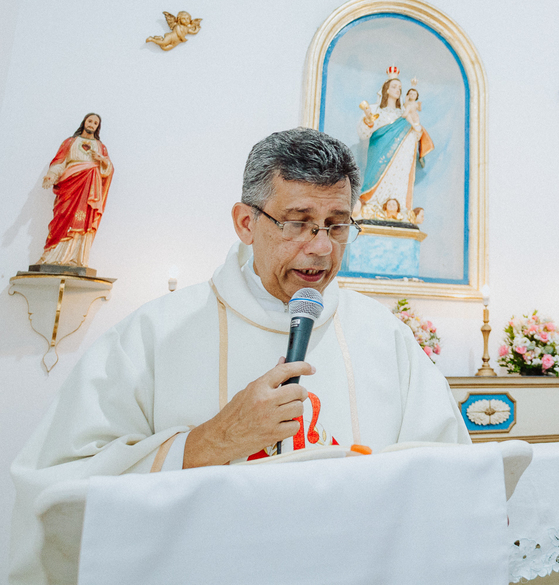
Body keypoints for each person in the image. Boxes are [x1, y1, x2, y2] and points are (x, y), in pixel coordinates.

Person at [11, 128, 469, 585]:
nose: (322, 246)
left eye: (337, 224)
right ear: (246, 223)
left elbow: (450, 476)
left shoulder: (385, 337)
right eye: (297, 221)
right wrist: (211, 442)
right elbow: (53, 489)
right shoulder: (153, 334)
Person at [36, 113, 113, 269]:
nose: (92, 124)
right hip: (70, 185)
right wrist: (51, 175)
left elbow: (108, 170)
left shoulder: (101, 147)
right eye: (90, 121)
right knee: (63, 215)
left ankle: (76, 258)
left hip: (89, 187)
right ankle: (51, 256)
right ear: (84, 122)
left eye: (95, 123)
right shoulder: (70, 142)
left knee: (83, 219)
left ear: (98, 127)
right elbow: (60, 162)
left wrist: (101, 159)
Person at [357, 73, 433, 220]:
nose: (398, 90)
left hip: (401, 159)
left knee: (398, 181)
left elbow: (415, 134)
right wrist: (368, 121)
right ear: (386, 90)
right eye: (394, 87)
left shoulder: (403, 113)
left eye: (400, 87)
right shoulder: (376, 110)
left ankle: (398, 208)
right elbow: (364, 134)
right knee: (377, 184)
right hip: (379, 155)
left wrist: (416, 130)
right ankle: (373, 205)